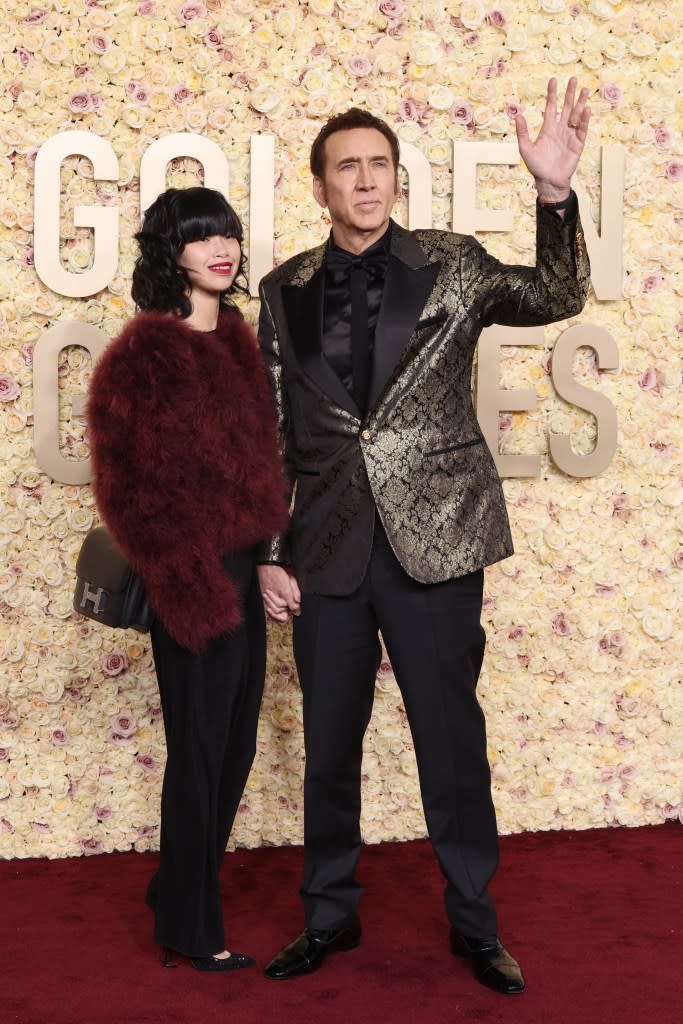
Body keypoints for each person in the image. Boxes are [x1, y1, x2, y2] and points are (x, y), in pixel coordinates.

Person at [256, 78, 591, 994]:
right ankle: (328, 917)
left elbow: (556, 293)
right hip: (324, 548)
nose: (363, 182)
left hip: (436, 543)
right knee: (328, 747)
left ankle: (475, 926)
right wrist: (266, 551)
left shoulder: (454, 261)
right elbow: (273, 427)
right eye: (344, 169)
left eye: (377, 166)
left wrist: (553, 197)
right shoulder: (281, 287)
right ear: (319, 187)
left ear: (395, 180)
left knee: (450, 742)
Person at [87, 187, 288, 971]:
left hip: (242, 567)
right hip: (190, 580)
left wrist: (270, 556)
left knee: (232, 744)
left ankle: (177, 881)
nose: (220, 248)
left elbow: (265, 460)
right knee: (200, 748)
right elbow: (124, 484)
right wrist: (187, 583)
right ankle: (190, 927)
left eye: (227, 233)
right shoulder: (145, 351)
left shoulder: (237, 335)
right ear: (170, 253)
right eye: (201, 237)